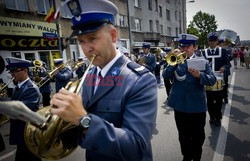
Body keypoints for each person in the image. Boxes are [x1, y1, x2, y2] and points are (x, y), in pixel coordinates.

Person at [50, 0, 157, 161]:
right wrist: (61, 121)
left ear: (113, 36)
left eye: (92, 38)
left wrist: (83, 119)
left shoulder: (140, 80)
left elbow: (136, 146)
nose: (87, 49)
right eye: (81, 41)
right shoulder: (89, 74)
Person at [162, 33, 216, 161]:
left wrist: (199, 76)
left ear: (194, 47)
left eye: (187, 47)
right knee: (183, 136)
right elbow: (165, 76)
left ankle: (196, 157)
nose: (184, 49)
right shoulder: (175, 59)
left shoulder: (202, 62)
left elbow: (212, 80)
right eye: (182, 47)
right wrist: (172, 64)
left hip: (197, 107)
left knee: (198, 137)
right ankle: (186, 156)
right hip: (180, 106)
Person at [5, 57, 41, 161]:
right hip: (20, 131)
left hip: (27, 132)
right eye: (11, 71)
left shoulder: (31, 89)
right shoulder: (18, 87)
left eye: (14, 71)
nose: (11, 74)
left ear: (25, 71)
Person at [202, 32, 231, 126]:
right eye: (210, 41)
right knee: (209, 101)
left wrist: (224, 68)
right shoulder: (204, 52)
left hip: (219, 80)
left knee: (218, 101)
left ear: (217, 41)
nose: (212, 42)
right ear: (208, 42)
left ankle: (218, 118)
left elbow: (228, 64)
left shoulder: (222, 51)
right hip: (208, 79)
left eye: (214, 41)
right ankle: (212, 117)